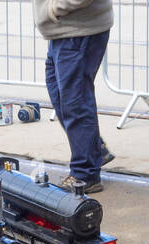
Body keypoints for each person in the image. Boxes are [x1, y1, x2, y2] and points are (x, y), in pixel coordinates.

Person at [33, 0, 115, 194]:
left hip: (77, 30)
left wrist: (55, 8)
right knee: (63, 97)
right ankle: (93, 150)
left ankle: (85, 174)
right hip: (66, 30)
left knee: (75, 102)